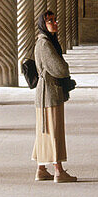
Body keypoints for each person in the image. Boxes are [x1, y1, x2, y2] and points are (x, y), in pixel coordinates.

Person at [32, 10, 76, 182]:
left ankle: (41, 169)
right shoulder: (44, 44)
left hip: (48, 92)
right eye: (50, 20)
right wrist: (65, 67)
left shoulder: (47, 42)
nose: (54, 23)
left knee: (45, 131)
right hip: (49, 93)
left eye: (55, 20)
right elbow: (59, 68)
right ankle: (59, 171)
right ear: (43, 24)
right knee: (54, 130)